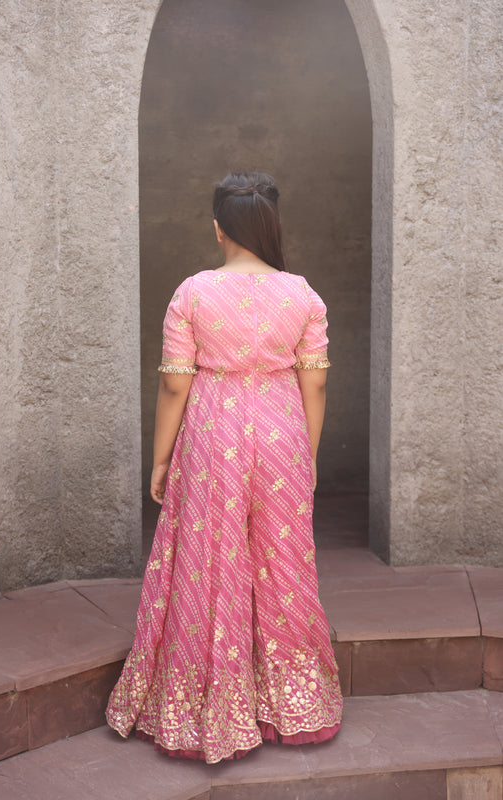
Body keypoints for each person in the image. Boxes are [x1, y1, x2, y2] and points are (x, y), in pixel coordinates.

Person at [105, 172, 343, 764]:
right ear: (270, 225)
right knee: (283, 561)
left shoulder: (193, 292)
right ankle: (296, 707)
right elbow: (314, 383)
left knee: (210, 562)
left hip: (215, 435)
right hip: (283, 434)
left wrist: (161, 459)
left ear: (219, 229)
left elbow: (173, 385)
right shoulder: (303, 294)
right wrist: (307, 455)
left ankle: (208, 708)